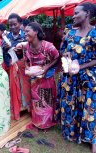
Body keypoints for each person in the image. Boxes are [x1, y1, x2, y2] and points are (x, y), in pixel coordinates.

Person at [55, 2, 96, 153]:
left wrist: (81, 67)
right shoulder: (70, 33)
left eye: (76, 13)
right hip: (69, 78)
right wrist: (65, 55)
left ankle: (92, 139)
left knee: (88, 107)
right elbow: (62, 50)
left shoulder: (94, 33)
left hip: (87, 78)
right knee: (70, 105)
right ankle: (72, 132)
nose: (73, 16)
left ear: (87, 14)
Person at [19, 22, 59, 129]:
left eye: (27, 31)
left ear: (36, 32)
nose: (24, 34)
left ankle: (46, 123)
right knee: (37, 101)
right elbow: (26, 61)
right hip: (34, 80)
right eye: (24, 32)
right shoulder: (26, 47)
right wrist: (28, 68)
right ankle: (38, 122)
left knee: (46, 100)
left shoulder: (48, 46)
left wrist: (46, 68)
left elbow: (57, 57)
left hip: (46, 79)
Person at [2, 13, 31, 120]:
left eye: (15, 24)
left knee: (26, 87)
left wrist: (19, 49)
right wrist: (5, 49)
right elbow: (3, 53)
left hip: (24, 65)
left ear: (20, 23)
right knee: (15, 88)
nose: (13, 27)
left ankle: (28, 108)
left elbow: (31, 49)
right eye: (10, 25)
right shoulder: (6, 37)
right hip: (12, 66)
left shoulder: (26, 35)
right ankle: (18, 109)